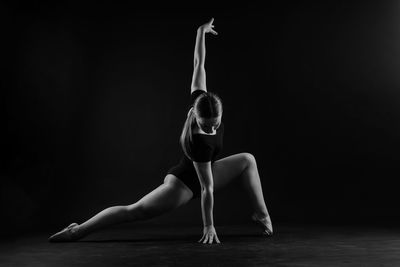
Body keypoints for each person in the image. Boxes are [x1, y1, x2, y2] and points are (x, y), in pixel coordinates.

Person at [48, 18, 272, 245]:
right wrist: (209, 225)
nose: (212, 128)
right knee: (133, 211)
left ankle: (261, 214)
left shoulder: (201, 101)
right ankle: (78, 230)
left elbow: (198, 64)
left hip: (208, 171)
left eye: (216, 123)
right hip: (183, 185)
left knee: (248, 160)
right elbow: (207, 188)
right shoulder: (199, 141)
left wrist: (200, 32)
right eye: (207, 125)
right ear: (196, 116)